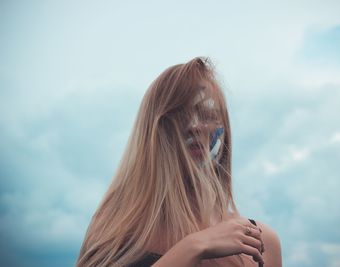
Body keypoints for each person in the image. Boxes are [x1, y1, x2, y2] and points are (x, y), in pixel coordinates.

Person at [76, 57, 282, 267]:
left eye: (207, 114)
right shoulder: (115, 227)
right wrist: (192, 247)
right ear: (153, 130)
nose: (194, 126)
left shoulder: (261, 241)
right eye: (178, 115)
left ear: (225, 130)